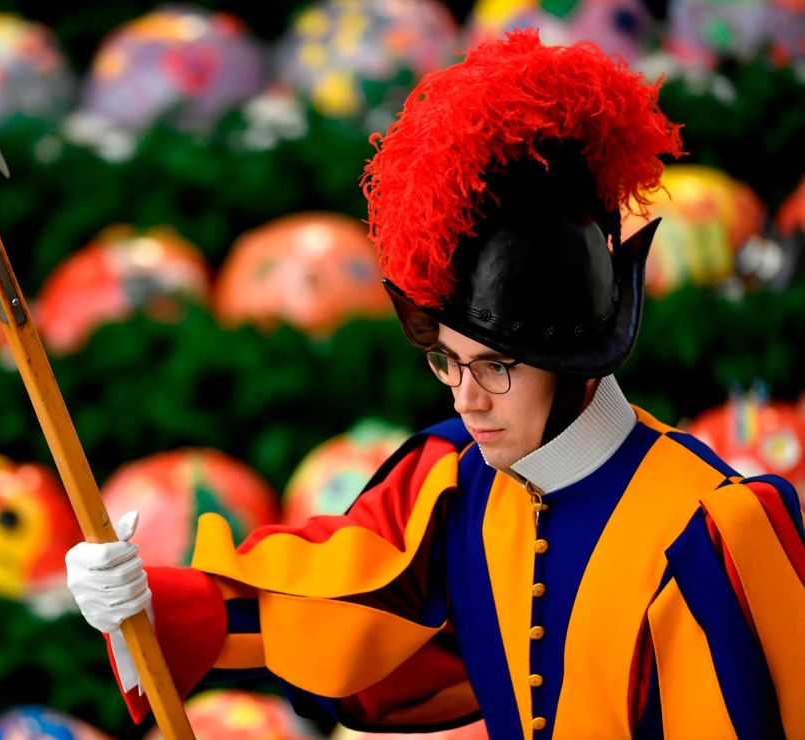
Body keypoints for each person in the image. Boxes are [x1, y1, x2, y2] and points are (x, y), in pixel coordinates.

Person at [66, 30, 804, 739]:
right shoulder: (454, 483)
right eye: (447, 362)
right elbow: (334, 598)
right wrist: (151, 601)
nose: (464, 397)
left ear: (577, 357)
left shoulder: (715, 530)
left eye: (495, 367)